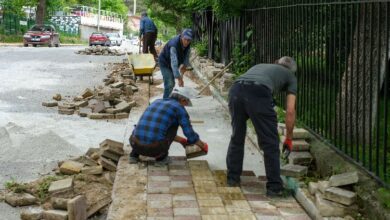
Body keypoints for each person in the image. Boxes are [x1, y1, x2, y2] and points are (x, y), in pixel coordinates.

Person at [226, 56, 297, 197]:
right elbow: (290, 111)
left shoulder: (261, 66)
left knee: (237, 136)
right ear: (292, 70)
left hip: (235, 90)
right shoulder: (291, 76)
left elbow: (248, 85)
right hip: (258, 92)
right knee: (270, 143)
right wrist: (289, 138)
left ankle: (232, 179)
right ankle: (275, 188)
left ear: (277, 63)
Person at [129, 87, 208, 165]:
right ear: (183, 100)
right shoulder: (179, 108)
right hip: (155, 149)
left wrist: (182, 141)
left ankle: (134, 156)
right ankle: (161, 158)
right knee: (173, 125)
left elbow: (157, 130)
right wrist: (202, 145)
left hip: (134, 144)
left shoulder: (156, 102)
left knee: (146, 127)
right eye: (186, 103)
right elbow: (189, 133)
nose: (185, 106)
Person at [158, 28, 192, 99]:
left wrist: (184, 66)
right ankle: (165, 103)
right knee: (170, 83)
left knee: (171, 84)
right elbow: (174, 63)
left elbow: (186, 56)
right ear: (181, 36)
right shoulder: (174, 45)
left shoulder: (188, 44)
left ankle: (169, 100)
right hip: (165, 63)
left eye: (188, 40)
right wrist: (179, 79)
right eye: (185, 39)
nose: (186, 42)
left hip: (172, 63)